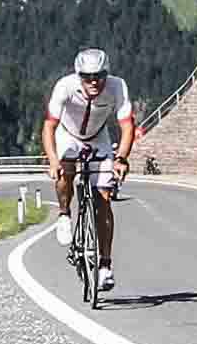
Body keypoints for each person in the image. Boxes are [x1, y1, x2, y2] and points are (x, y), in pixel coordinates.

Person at [42, 45, 140, 297]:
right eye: (87, 77)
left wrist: (121, 159)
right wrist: (53, 160)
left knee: (104, 199)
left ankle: (105, 265)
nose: (94, 81)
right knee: (65, 170)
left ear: (107, 73)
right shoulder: (64, 86)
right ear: (78, 76)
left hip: (99, 137)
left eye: (99, 75)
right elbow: (49, 127)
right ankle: (64, 213)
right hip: (68, 134)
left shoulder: (118, 86)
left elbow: (127, 126)